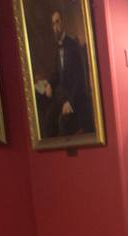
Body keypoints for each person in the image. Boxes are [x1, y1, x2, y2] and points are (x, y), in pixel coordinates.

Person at [38, 10, 93, 139]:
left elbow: (79, 78)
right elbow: (56, 73)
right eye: (53, 24)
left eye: (57, 22)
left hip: (75, 97)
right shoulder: (58, 49)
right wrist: (50, 85)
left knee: (64, 125)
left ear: (63, 23)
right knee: (47, 119)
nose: (55, 27)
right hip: (61, 96)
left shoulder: (73, 45)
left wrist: (70, 102)